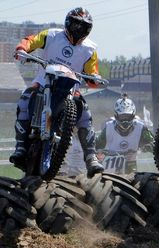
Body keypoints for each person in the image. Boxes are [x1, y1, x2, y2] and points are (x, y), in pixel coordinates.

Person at [10, 7, 104, 176]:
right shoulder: (52, 35)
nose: (78, 29)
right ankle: (20, 146)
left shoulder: (90, 49)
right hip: (44, 80)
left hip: (70, 87)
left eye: (83, 26)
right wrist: (22, 49)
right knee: (24, 100)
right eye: (76, 25)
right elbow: (31, 40)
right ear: (68, 23)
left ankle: (91, 158)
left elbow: (92, 72)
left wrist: (95, 78)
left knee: (85, 115)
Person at [96, 95, 154, 174]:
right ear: (116, 116)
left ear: (133, 115)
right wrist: (100, 152)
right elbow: (97, 145)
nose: (125, 121)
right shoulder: (109, 128)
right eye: (122, 117)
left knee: (136, 182)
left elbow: (154, 143)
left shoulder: (140, 127)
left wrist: (147, 147)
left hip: (132, 165)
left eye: (127, 117)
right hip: (110, 166)